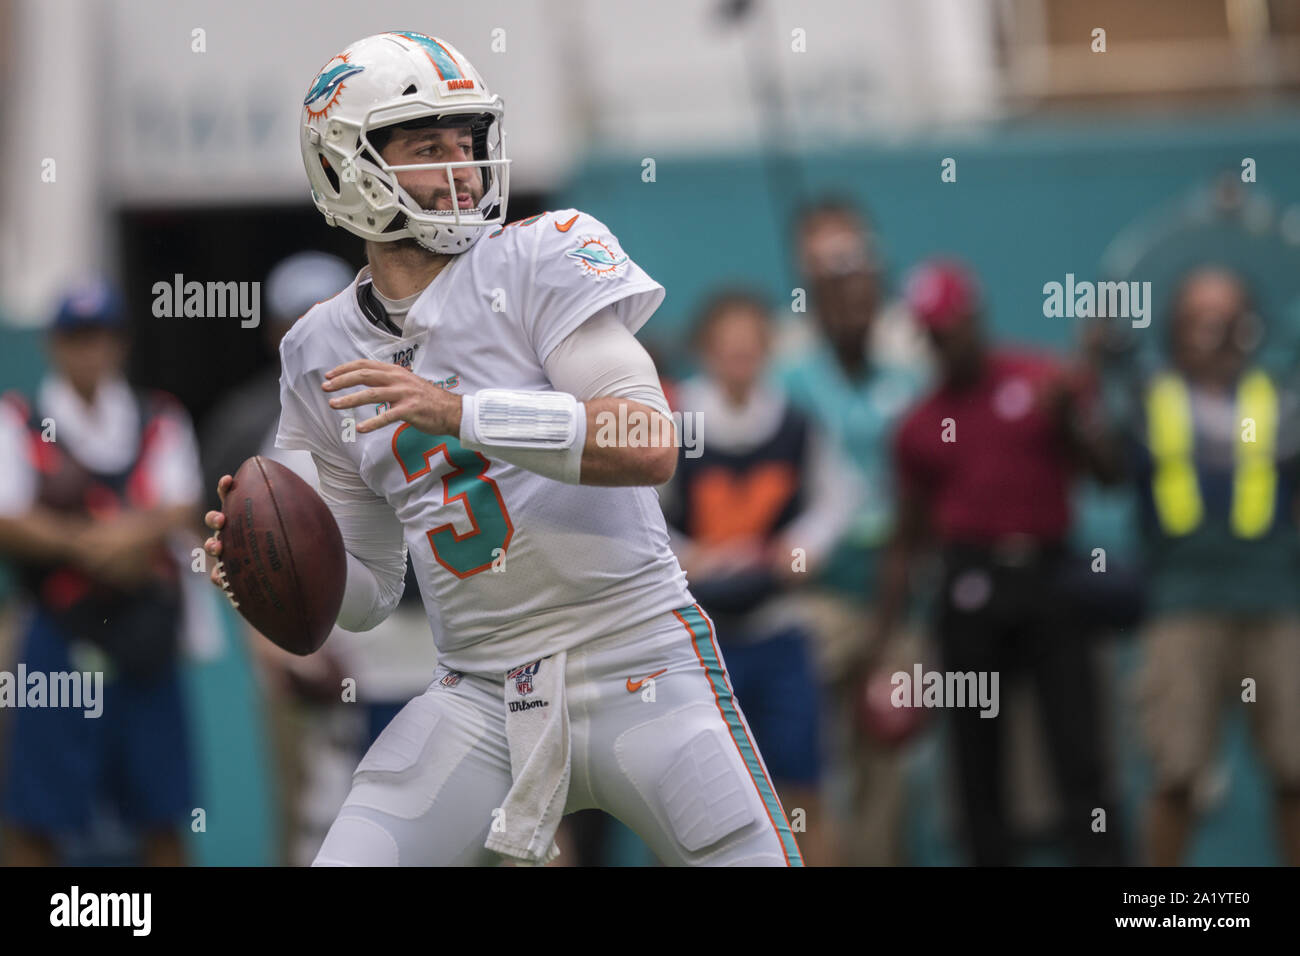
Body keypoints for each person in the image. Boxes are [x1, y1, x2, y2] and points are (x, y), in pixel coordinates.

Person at [203, 31, 801, 866]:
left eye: (466, 141)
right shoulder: (318, 351)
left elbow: (648, 439)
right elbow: (369, 597)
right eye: (425, 146)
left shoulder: (542, 255)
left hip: (639, 659)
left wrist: (462, 413)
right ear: (344, 166)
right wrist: (269, 569)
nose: (460, 167)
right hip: (482, 693)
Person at [875, 259, 1124, 866]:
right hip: (968, 587)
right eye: (932, 331)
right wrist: (885, 642)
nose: (944, 341)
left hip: (1049, 578)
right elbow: (908, 539)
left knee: (1080, 754)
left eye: (951, 325)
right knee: (976, 767)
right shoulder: (920, 425)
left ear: (975, 318)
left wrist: (1069, 414)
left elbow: (1108, 474)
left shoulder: (1044, 381)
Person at [0, 279, 201, 866]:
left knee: (163, 810)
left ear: (121, 343)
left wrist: (112, 537)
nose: (89, 351)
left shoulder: (158, 415)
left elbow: (179, 504)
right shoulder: (19, 418)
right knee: (38, 814)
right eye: (76, 337)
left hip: (145, 636)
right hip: (60, 634)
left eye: (101, 336)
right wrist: (95, 545)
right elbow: (8, 516)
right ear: (54, 345)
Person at [664, 289, 859, 866]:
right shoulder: (678, 422)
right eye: (728, 351)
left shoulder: (794, 424)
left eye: (750, 351)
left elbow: (840, 496)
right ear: (705, 352)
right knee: (686, 802)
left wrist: (800, 550)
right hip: (698, 639)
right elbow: (635, 509)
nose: (739, 363)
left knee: (801, 789)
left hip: (778, 628)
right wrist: (688, 556)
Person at [1115, 266, 1300, 865]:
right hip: (1181, 605)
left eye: (1228, 316)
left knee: (1295, 770)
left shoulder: (1281, 401)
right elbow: (1094, 453)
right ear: (1176, 328)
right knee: (1176, 773)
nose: (1216, 330)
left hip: (1276, 602)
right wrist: (1093, 367)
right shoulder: (1149, 401)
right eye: (1200, 317)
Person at [772, 198, 928, 864]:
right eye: (833, 292)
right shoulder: (790, 379)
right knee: (811, 759)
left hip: (903, 599)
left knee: (895, 759)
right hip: (819, 600)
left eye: (862, 290)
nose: (850, 304)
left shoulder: (913, 375)